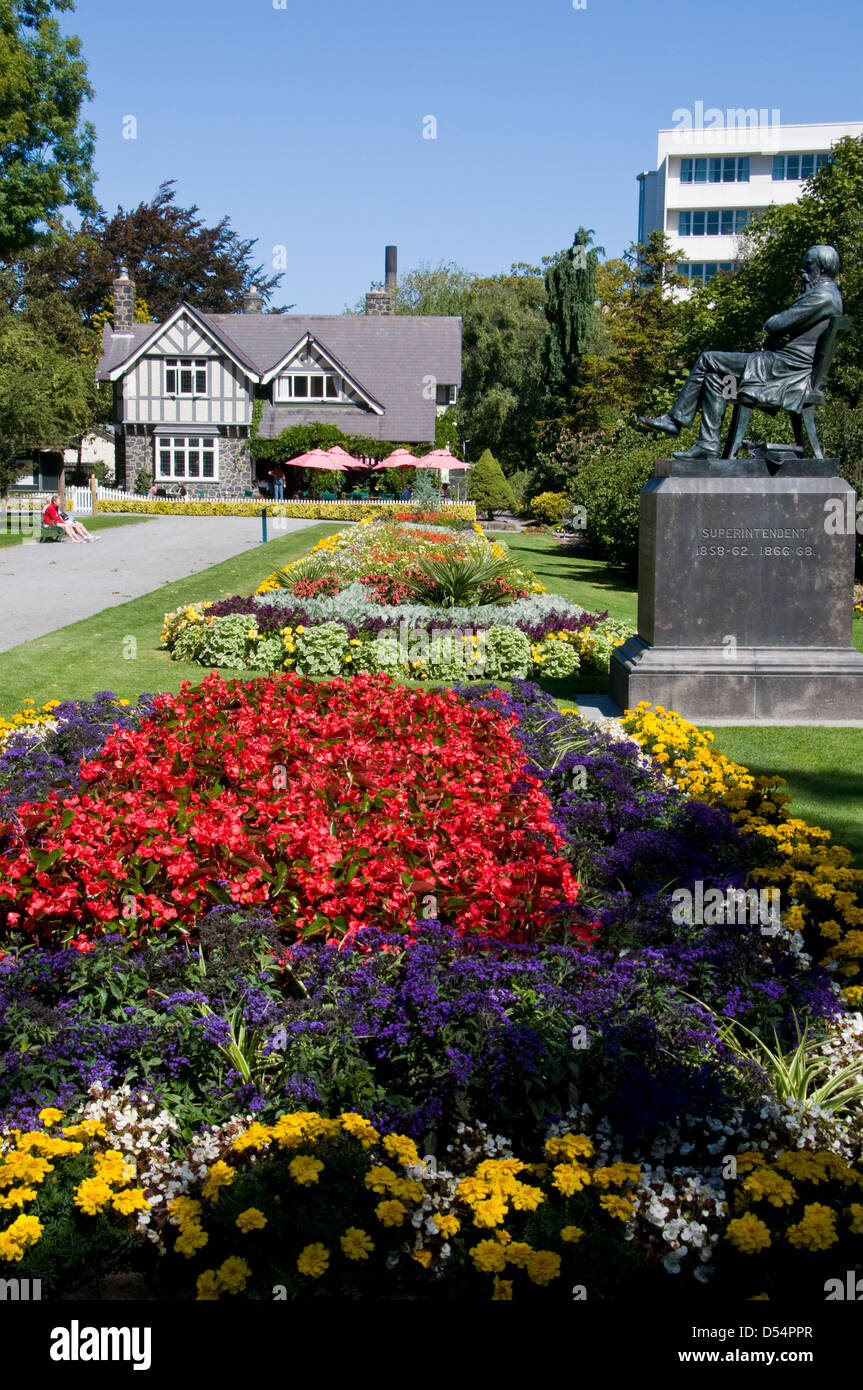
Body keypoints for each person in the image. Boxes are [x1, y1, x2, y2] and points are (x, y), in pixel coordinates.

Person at [638, 245, 843, 460]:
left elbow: (775, 324)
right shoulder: (826, 295)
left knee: (708, 359)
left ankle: (674, 421)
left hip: (783, 370)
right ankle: (707, 445)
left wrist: (776, 332)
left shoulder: (822, 296)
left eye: (807, 265)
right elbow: (787, 331)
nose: (802, 271)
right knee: (713, 379)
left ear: (821, 269)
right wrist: (778, 335)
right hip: (781, 365)